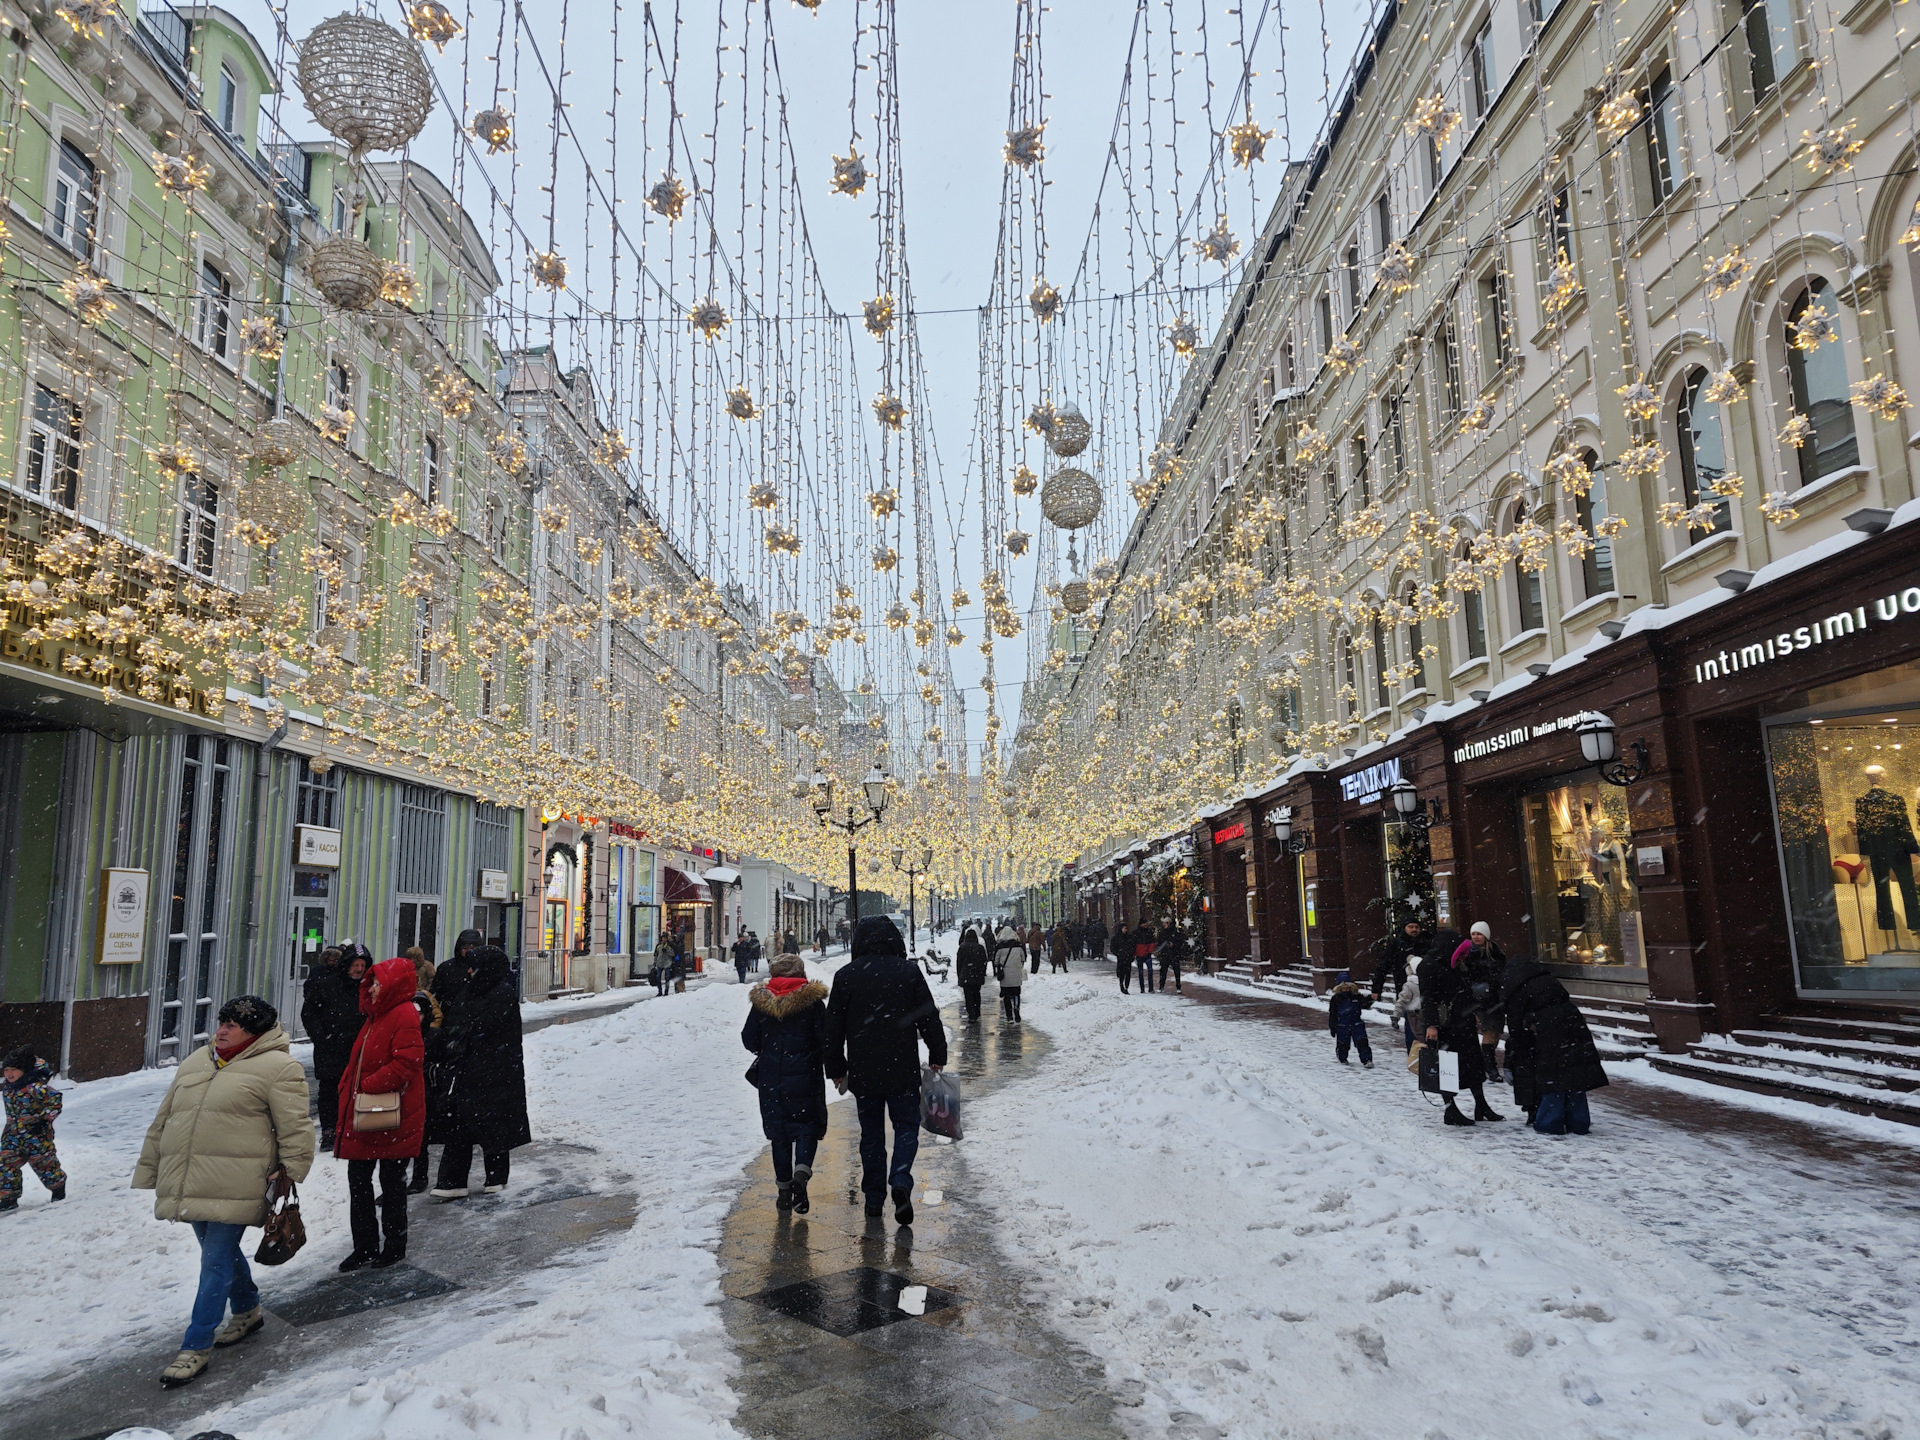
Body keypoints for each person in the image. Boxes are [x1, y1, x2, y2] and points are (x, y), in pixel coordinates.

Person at [133, 995, 314, 1388]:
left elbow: (295, 1127)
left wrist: (290, 1171)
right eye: (222, 1023)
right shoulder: (196, 1062)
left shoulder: (279, 1068)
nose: (222, 1031)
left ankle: (195, 1346)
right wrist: (151, 1168)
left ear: (256, 1032)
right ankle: (247, 1309)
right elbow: (164, 1119)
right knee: (220, 1254)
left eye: (233, 1025)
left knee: (214, 1261)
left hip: (241, 1181)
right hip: (191, 1178)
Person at [825, 916, 947, 1225]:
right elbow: (928, 1016)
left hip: (864, 1070)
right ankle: (901, 1179)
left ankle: (874, 1199)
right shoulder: (907, 972)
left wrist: (837, 1067)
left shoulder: (846, 976)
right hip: (901, 1067)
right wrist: (937, 1053)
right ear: (894, 940)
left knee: (871, 1134)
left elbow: (832, 1029)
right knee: (906, 1126)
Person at [335, 956, 426, 1271]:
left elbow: (407, 1062)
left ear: (392, 986)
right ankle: (364, 1246)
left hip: (389, 1111)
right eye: (370, 983)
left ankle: (394, 1245)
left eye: (376, 983)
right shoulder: (375, 1017)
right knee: (358, 1182)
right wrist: (348, 1086)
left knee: (391, 1183)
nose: (370, 988)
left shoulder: (402, 1015)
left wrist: (368, 1086)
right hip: (368, 1109)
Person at [432, 946, 532, 1198]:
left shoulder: (501, 994)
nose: (468, 970)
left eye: (473, 966)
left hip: (494, 1072)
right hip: (470, 1070)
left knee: (491, 1123)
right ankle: (452, 1181)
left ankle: (494, 1177)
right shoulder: (472, 990)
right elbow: (458, 1023)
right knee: (462, 1123)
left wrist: (463, 1041)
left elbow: (485, 1030)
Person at [741, 955, 830, 1213]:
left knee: (779, 1136)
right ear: (800, 972)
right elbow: (825, 1038)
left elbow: (749, 1039)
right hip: (806, 1075)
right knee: (806, 1129)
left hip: (772, 1079)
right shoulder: (811, 1003)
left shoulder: (761, 1002)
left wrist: (769, 1049)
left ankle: (783, 1191)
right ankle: (800, 1176)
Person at [1501, 955, 1609, 1134]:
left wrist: (1518, 1053)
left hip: (1547, 1028)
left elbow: (1516, 1027)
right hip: (1573, 1021)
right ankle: (1579, 1122)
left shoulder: (1517, 989)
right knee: (1575, 1072)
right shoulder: (1546, 979)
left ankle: (1550, 1123)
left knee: (1553, 1075)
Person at [1419, 928, 1502, 1126]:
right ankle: (1451, 1110)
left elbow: (1464, 990)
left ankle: (1481, 1105)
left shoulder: (1454, 962)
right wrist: (1431, 1025)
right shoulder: (1428, 965)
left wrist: (1473, 1012)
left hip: (1463, 1021)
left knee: (1473, 1064)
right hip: (1445, 1025)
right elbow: (1427, 998)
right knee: (1447, 1067)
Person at [300, 944, 363, 1151]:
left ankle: (351, 1128)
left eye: (363, 965)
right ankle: (329, 1131)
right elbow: (309, 1013)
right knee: (329, 1090)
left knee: (356, 1089)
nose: (359, 969)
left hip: (357, 1048)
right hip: (330, 1048)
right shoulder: (326, 985)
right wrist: (321, 1036)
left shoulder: (366, 988)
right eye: (355, 965)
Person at [1, 1046, 65, 1212]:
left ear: (23, 1070)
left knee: (45, 1165)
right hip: (12, 1137)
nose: (9, 1074)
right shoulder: (7, 1089)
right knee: (5, 1165)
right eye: (6, 1070)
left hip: (37, 1136)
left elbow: (56, 1101)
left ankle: (58, 1188)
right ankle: (8, 1198)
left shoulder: (35, 1087)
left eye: (13, 1069)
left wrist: (44, 1120)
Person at [408, 953, 444, 1194]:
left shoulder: (432, 1038)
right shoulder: (404, 1033)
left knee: (422, 1137)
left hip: (426, 1094)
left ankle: (420, 1178)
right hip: (410, 1092)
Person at [1456, 921, 1509, 1083]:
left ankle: (1485, 1062)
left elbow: (1503, 971)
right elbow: (1463, 975)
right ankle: (1491, 1068)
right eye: (1473, 934)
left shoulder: (1496, 951)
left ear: (1486, 935)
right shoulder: (1468, 952)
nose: (1476, 937)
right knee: (1489, 1031)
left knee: (1497, 1032)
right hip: (1479, 999)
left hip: (1496, 998)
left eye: (1479, 934)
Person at [1370, 919, 1427, 1005]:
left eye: (1416, 927)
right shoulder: (1396, 944)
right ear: (1405, 928)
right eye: (1410, 927)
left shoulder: (1425, 943)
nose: (1414, 929)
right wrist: (1376, 989)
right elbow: (1383, 966)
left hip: (1426, 989)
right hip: (1404, 988)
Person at [1327, 970, 1374, 1068]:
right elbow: (1333, 1014)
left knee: (1362, 1042)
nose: (1345, 988)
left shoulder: (1356, 997)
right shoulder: (1336, 999)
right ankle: (1342, 1058)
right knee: (1343, 1044)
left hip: (1356, 1023)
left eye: (1347, 986)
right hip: (1342, 1025)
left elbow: (1364, 1004)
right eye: (1343, 986)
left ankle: (1367, 1060)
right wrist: (1333, 1027)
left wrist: (1370, 999)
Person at [955, 925, 989, 1022]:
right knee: (976, 994)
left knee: (968, 996)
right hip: (977, 975)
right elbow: (984, 962)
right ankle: (976, 1011)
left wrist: (960, 975)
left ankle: (971, 1013)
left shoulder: (962, 947)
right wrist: (982, 973)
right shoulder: (980, 948)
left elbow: (959, 963)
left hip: (966, 975)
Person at [1389, 966, 1423, 1053]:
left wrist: (1396, 1016)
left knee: (1412, 1041)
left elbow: (1402, 1001)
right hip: (1426, 1014)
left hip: (1413, 1016)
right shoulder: (1428, 981)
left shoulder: (1409, 985)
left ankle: (1415, 1060)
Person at [997, 929, 1026, 1022]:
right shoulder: (1019, 946)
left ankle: (1009, 1016)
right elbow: (1023, 958)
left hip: (1005, 976)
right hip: (1016, 975)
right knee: (1016, 994)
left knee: (1006, 997)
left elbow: (995, 961)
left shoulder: (1000, 947)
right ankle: (1017, 1010)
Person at [1156, 921, 1188, 994]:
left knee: (1176, 971)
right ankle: (1161, 986)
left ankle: (1178, 987)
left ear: (1169, 924)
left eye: (1165, 923)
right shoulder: (1162, 932)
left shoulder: (1175, 932)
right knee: (1163, 971)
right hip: (1165, 955)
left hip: (1174, 954)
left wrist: (1173, 944)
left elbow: (1180, 942)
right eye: (1163, 923)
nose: (1164, 924)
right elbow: (1159, 942)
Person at [1132, 920, 1156, 994]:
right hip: (1141, 954)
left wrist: (1149, 950)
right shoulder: (1138, 933)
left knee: (1146, 972)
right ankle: (1145, 988)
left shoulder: (1145, 932)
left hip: (1144, 954)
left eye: (1145, 923)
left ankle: (1148, 988)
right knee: (1144, 972)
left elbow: (1152, 942)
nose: (1145, 924)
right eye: (1144, 923)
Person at [651, 928, 675, 997]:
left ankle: (666, 991)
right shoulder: (659, 946)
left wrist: (667, 950)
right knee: (658, 977)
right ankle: (660, 991)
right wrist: (655, 962)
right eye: (663, 938)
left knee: (667, 978)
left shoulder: (669, 946)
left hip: (667, 963)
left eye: (665, 938)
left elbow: (673, 954)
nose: (664, 939)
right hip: (660, 963)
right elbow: (656, 954)